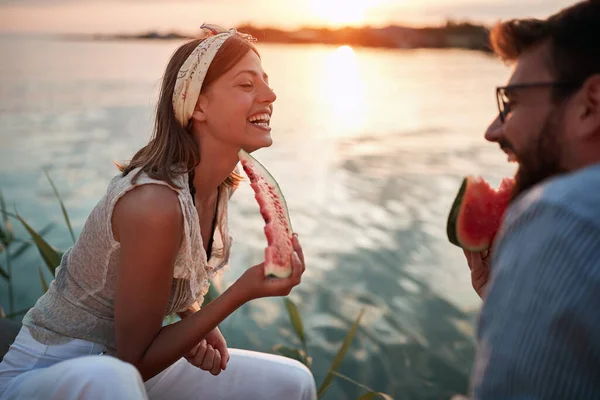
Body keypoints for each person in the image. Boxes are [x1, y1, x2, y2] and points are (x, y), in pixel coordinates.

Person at [0, 24, 316, 400]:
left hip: (123, 367)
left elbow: (172, 276)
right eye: (247, 85)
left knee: (293, 381)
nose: (271, 94)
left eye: (265, 81)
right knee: (111, 380)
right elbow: (132, 364)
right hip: (55, 368)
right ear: (198, 104)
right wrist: (239, 293)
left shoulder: (216, 184)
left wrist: (192, 317)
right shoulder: (154, 204)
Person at [461, 1, 600, 398]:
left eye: (513, 101)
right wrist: (512, 307)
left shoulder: (559, 215)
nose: (492, 130)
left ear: (591, 104)